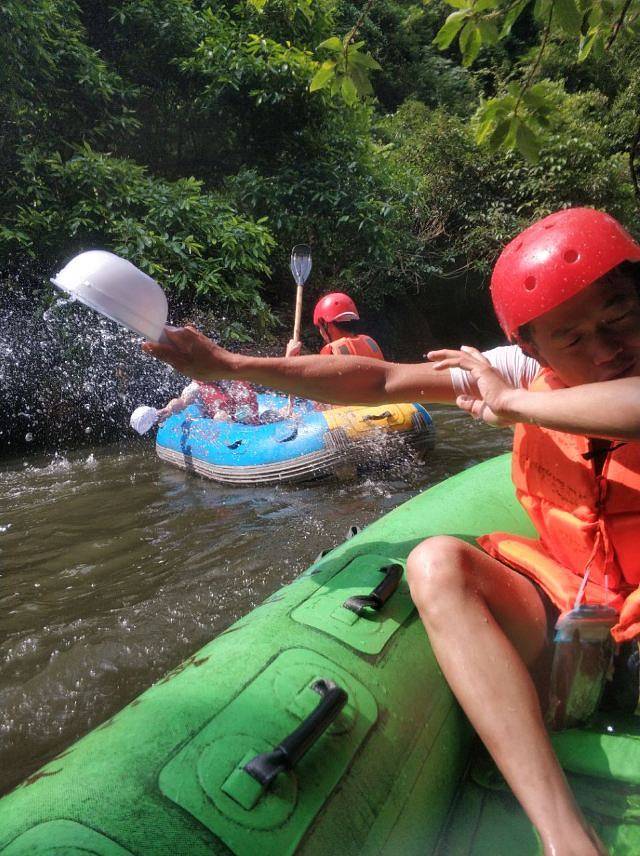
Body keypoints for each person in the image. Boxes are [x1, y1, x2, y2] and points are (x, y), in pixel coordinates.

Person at [143, 207, 640, 855]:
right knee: (437, 564)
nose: (606, 348)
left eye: (620, 316)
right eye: (572, 338)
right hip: (588, 615)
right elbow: (381, 380)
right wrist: (230, 365)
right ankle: (565, 836)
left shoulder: (515, 388)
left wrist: (512, 404)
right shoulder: (516, 369)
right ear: (534, 351)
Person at [285, 292, 384, 359]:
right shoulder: (370, 343)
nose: (320, 332)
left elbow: (310, 384)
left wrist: (289, 360)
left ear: (327, 325)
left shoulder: (332, 353)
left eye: (320, 327)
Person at [157, 379, 262, 425]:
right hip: (215, 417)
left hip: (239, 419)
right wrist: (169, 409)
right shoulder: (197, 386)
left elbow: (248, 410)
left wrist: (233, 418)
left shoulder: (237, 384)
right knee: (220, 416)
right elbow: (182, 402)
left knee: (221, 416)